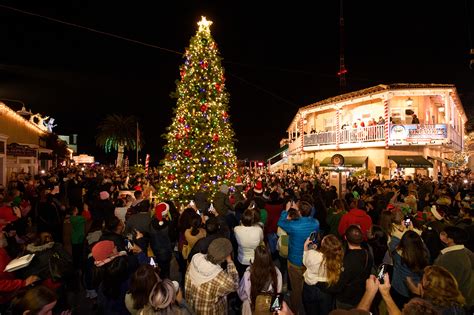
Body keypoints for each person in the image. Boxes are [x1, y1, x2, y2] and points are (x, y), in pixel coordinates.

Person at [278, 200, 319, 314]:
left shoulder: (293, 225)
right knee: (308, 285)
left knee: (296, 289)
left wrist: (287, 210)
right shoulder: (315, 223)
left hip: (294, 261)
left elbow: (281, 222)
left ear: (299, 211)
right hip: (309, 259)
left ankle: (295, 310)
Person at [185, 238, 239, 315]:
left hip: (192, 305)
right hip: (209, 311)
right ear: (223, 259)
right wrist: (230, 262)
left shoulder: (195, 258)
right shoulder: (221, 279)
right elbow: (235, 285)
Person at [328, 225, 373, 310]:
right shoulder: (368, 254)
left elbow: (339, 285)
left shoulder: (347, 261)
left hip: (346, 299)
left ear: (345, 237)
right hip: (360, 294)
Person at [302, 234, 344, 315]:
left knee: (311, 310)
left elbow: (304, 261)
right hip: (327, 289)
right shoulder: (338, 259)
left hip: (310, 288)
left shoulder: (312, 255)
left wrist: (305, 246)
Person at [434, 226, 474, 307]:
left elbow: (442, 284)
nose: (441, 236)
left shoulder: (448, 259)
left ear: (450, 239)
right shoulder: (467, 251)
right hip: (467, 297)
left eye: (444, 234)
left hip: (455, 302)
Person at [389, 230, 429, 308]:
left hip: (398, 287)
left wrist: (403, 230)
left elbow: (393, 240)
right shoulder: (424, 255)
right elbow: (424, 246)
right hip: (416, 288)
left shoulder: (396, 253)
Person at [238, 245, 282, 314]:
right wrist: (274, 311)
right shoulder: (276, 273)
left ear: (256, 258)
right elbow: (278, 293)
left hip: (253, 308)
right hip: (270, 309)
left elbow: (242, 295)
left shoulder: (248, 274)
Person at [234, 208, 264, 276]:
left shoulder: (236, 229)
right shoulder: (259, 230)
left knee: (243, 276)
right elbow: (261, 241)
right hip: (255, 259)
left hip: (241, 259)